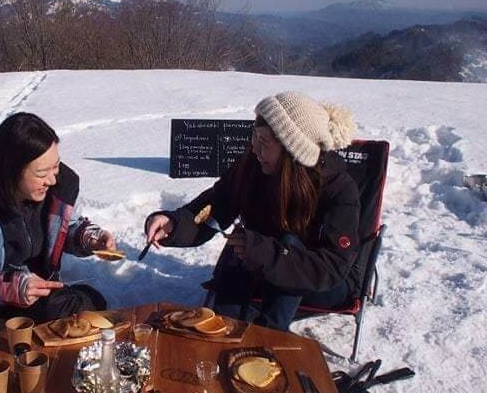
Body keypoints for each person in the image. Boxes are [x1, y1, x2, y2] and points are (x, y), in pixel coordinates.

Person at [145, 91, 360, 331]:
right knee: (235, 262)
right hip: (262, 265)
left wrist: (266, 252)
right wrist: (174, 223)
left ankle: (268, 340)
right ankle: (225, 333)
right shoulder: (253, 165)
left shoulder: (338, 190)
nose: (255, 148)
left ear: (292, 152)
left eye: (264, 142)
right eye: (254, 136)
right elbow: (216, 204)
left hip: (320, 283)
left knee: (287, 245)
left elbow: (332, 267)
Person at [0, 112, 115, 362]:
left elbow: (67, 227)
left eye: (56, 166)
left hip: (39, 296)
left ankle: (20, 346)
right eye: (42, 173)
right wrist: (10, 287)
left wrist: (89, 238)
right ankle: (35, 344)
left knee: (92, 302)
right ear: (11, 172)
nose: (52, 179)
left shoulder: (57, 187)